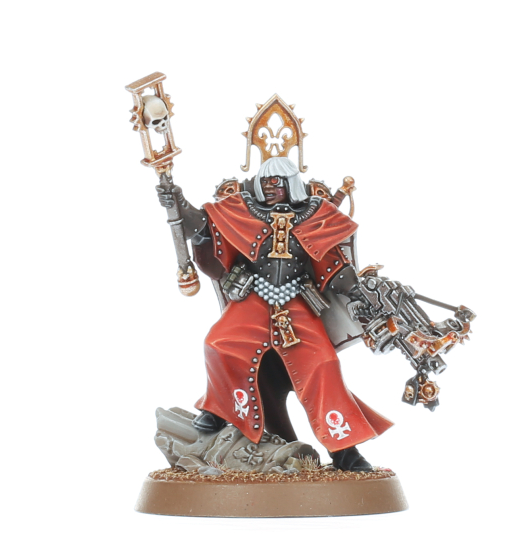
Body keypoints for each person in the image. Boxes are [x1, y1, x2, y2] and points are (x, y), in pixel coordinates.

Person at [157, 156, 393, 471]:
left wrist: (359, 292)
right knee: (219, 344)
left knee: (323, 363)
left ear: (290, 183)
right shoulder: (241, 208)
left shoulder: (317, 216)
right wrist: (178, 200)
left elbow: (334, 267)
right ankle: (219, 411)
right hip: (253, 299)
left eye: (276, 181)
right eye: (265, 181)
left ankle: (344, 450)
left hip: (297, 303)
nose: (269, 186)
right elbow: (200, 225)